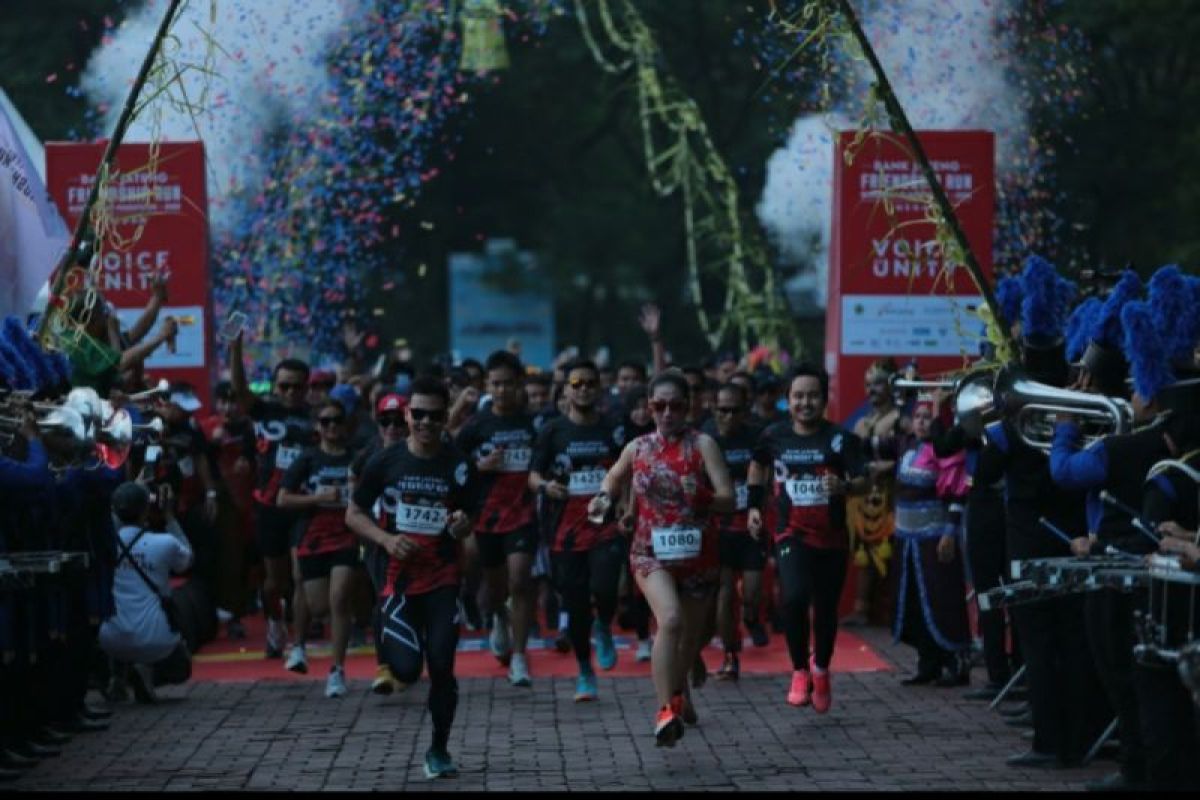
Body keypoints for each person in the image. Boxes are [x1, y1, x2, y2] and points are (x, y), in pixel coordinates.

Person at [590, 370, 734, 747]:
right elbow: (613, 478)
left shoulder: (703, 445)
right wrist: (604, 497)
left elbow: (729, 498)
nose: (667, 413)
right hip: (650, 552)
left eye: (676, 406)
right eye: (659, 406)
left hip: (698, 555)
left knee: (690, 639)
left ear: (689, 407)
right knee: (669, 620)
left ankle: (680, 685)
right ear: (649, 407)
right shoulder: (638, 448)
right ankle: (666, 710)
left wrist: (702, 495)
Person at [346, 376, 479, 779]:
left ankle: (438, 749)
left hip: (442, 579)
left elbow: (470, 516)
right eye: (417, 414)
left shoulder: (457, 464)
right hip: (398, 582)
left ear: (444, 417)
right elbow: (353, 513)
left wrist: (460, 524)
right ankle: (398, 660)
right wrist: (386, 540)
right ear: (406, 414)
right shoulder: (385, 461)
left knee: (441, 665)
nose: (424, 423)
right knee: (405, 669)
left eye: (433, 416)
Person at [746, 364, 866, 712]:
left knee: (825, 611)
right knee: (795, 599)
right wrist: (754, 508)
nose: (805, 402)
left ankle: (822, 668)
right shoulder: (773, 436)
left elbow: (865, 480)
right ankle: (799, 669)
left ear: (824, 399)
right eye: (798, 396)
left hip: (831, 539)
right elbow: (757, 467)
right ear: (788, 401)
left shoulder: (840, 439)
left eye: (813, 395)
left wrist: (844, 486)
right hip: (790, 533)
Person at [529, 359, 626, 701]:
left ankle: (605, 625)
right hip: (564, 532)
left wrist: (626, 505)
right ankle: (585, 670)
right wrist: (546, 488)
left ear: (599, 388)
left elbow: (627, 470)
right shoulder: (552, 431)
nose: (583, 388)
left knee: (605, 587)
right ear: (567, 390)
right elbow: (533, 475)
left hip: (605, 526)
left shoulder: (613, 427)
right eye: (577, 383)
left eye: (589, 383)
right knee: (576, 604)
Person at [229, 331, 317, 660]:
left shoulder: (316, 419)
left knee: (299, 575)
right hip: (268, 505)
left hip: (304, 506)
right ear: (275, 386)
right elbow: (239, 389)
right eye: (284, 386)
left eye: (297, 386)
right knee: (273, 582)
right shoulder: (263, 411)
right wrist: (236, 347)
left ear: (307, 388)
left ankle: (299, 642)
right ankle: (275, 623)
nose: (290, 392)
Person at [455, 350, 539, 687]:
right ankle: (498, 617)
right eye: (496, 384)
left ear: (519, 384)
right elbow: (453, 468)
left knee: (520, 579)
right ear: (488, 385)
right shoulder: (476, 426)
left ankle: (519, 657)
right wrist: (480, 466)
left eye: (508, 384)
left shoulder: (533, 422)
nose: (502, 390)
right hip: (486, 517)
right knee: (496, 587)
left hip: (523, 513)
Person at [277, 400, 361, 697]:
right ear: (318, 427)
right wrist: (317, 498)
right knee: (320, 606)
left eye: (337, 420)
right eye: (325, 422)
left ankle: (336, 670)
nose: (332, 427)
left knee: (339, 598)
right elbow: (283, 498)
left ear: (346, 424)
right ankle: (299, 644)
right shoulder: (308, 458)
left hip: (347, 534)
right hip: (313, 534)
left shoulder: (357, 457)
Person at [892, 395, 971, 686]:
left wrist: (949, 533)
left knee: (943, 600)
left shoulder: (945, 450)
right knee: (913, 601)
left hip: (934, 539)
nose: (922, 422)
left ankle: (954, 663)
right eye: (918, 417)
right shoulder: (906, 446)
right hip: (907, 541)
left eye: (928, 417)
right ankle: (928, 663)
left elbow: (957, 493)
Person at [99, 482, 194, 703]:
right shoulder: (165, 543)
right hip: (155, 639)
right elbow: (187, 560)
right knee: (182, 668)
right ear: (147, 510)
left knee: (116, 625)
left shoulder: (103, 545)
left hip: (110, 638)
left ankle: (117, 676)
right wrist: (169, 517)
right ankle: (145, 672)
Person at [707, 382, 769, 682]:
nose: (728, 417)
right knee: (724, 594)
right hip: (719, 528)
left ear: (744, 411)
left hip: (750, 526)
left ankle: (752, 618)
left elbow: (769, 474)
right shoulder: (705, 438)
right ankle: (730, 656)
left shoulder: (758, 436)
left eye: (735, 411)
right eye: (722, 410)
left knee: (752, 596)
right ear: (713, 409)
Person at [350, 393, 409, 695]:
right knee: (384, 600)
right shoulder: (367, 457)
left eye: (399, 421)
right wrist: (372, 534)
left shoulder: (421, 452)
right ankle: (383, 666)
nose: (393, 427)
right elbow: (354, 499)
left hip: (418, 541)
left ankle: (409, 658)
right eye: (386, 421)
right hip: (379, 541)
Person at [845, 358, 904, 627]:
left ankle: (892, 612)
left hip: (893, 495)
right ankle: (862, 610)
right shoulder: (861, 423)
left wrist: (890, 466)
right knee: (864, 552)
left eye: (878, 383)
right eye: (868, 384)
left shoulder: (901, 420)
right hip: (865, 497)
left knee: (890, 553)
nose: (872, 390)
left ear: (892, 385)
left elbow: (914, 454)